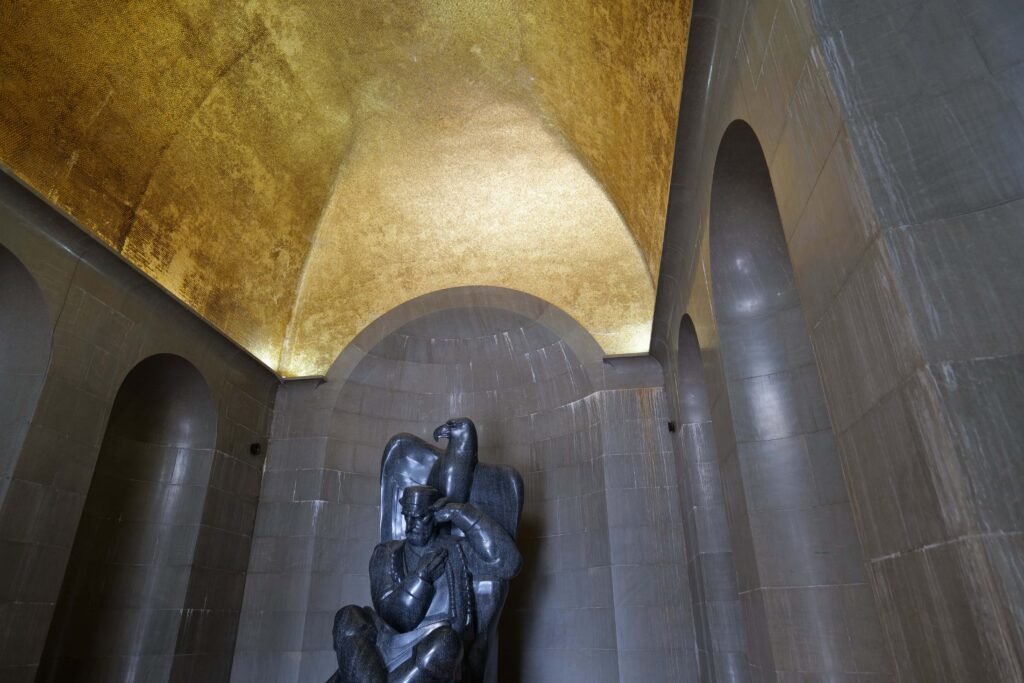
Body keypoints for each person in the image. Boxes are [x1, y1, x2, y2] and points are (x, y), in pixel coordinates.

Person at [332, 485, 521, 682]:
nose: (410, 525)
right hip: (389, 643)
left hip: (436, 648)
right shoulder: (387, 553)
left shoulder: (458, 551)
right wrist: (421, 578)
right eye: (408, 516)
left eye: (419, 517)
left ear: (435, 516)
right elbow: (393, 617)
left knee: (446, 644)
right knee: (348, 616)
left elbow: (509, 564)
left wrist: (462, 513)